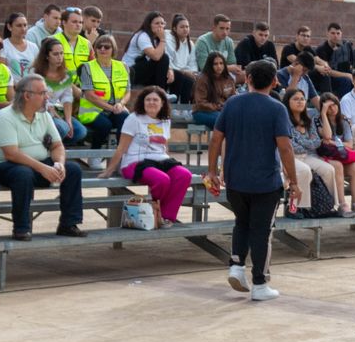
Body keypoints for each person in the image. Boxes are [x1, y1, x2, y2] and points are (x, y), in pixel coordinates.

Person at [203, 59, 299, 301]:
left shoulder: (232, 103)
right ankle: (259, 282)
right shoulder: (277, 108)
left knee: (242, 223)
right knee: (262, 230)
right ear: (275, 82)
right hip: (265, 181)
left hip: (235, 178)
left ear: (247, 79)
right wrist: (294, 180)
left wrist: (212, 171)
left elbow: (215, 139)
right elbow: (285, 148)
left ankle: (236, 265)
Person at [0, 75, 87, 240]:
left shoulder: (44, 115)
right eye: (43, 93)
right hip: (5, 166)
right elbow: (11, 153)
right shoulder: (5, 116)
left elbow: (57, 146)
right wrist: (43, 168)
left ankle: (68, 224)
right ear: (27, 96)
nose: (47, 97)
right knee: (23, 173)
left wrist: (59, 164)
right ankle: (21, 228)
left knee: (73, 169)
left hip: (37, 166)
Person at [101, 86, 193, 226]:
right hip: (135, 162)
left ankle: (166, 216)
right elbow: (121, 147)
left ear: (162, 103)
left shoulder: (165, 120)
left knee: (184, 175)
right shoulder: (134, 119)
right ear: (142, 102)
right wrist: (110, 169)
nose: (151, 102)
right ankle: (155, 212)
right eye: (148, 99)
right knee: (162, 180)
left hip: (159, 159)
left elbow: (164, 146)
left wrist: (169, 163)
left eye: (155, 100)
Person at [284, 87, 338, 211]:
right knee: (305, 171)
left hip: (307, 156)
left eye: (302, 99)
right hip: (290, 157)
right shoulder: (284, 120)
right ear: (288, 102)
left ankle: (329, 206)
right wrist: (307, 143)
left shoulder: (308, 120)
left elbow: (316, 143)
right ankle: (297, 208)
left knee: (328, 169)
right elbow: (291, 146)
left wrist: (302, 142)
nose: (300, 102)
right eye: (296, 99)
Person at [77, 34, 131, 147]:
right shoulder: (86, 67)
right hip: (92, 110)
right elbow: (89, 95)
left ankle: (121, 153)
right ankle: (95, 154)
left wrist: (121, 104)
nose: (102, 49)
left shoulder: (123, 66)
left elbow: (127, 92)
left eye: (106, 47)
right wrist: (112, 108)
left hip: (116, 108)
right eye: (99, 46)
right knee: (105, 125)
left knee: (126, 120)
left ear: (113, 49)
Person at [33, 38, 87, 145]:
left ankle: (54, 148)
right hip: (39, 111)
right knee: (61, 128)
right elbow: (38, 98)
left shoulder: (66, 75)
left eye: (62, 53)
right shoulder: (35, 73)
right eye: (55, 54)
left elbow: (67, 98)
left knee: (80, 131)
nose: (60, 58)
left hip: (57, 111)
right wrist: (61, 120)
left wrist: (68, 120)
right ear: (47, 56)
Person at [318, 93, 355, 214]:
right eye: (328, 106)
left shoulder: (343, 121)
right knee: (337, 165)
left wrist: (332, 142)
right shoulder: (318, 121)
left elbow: (350, 144)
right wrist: (323, 114)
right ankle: (342, 204)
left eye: (334, 105)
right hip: (323, 156)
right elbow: (326, 135)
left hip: (340, 155)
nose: (332, 109)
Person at [123, 11, 171, 93]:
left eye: (162, 23)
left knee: (182, 78)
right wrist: (163, 39)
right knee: (164, 58)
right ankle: (161, 93)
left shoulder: (157, 38)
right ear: (149, 25)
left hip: (143, 68)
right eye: (157, 23)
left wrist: (170, 70)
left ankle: (177, 100)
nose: (160, 26)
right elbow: (156, 57)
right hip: (130, 71)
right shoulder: (143, 36)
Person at [192, 52, 240, 130]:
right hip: (202, 112)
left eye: (221, 63)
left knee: (240, 119)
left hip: (222, 111)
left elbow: (233, 97)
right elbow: (200, 103)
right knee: (225, 120)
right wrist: (219, 107)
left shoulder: (228, 78)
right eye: (215, 64)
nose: (219, 66)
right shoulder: (202, 79)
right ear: (210, 65)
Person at [313, 23, 355, 97]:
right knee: (346, 80)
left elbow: (349, 67)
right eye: (333, 33)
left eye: (338, 33)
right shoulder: (321, 49)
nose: (335, 36)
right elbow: (327, 71)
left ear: (341, 34)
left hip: (341, 76)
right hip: (327, 79)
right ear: (327, 34)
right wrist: (347, 75)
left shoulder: (343, 49)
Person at [166, 14, 198, 104]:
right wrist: (183, 72)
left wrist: (192, 72)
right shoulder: (169, 40)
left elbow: (192, 62)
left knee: (190, 80)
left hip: (184, 72)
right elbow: (168, 61)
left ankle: (185, 108)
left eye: (187, 27)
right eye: (182, 27)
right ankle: (174, 106)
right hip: (171, 71)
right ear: (175, 29)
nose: (185, 29)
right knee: (180, 77)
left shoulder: (190, 43)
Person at [56, 7, 91, 81]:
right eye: (74, 22)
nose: (78, 25)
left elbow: (93, 68)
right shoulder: (52, 40)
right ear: (64, 22)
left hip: (82, 87)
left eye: (81, 22)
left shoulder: (87, 43)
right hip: (59, 86)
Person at [1, 12, 38, 80]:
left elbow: (38, 69)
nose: (23, 28)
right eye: (19, 25)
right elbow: (2, 71)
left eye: (25, 25)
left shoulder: (33, 47)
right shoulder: (3, 45)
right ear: (9, 27)